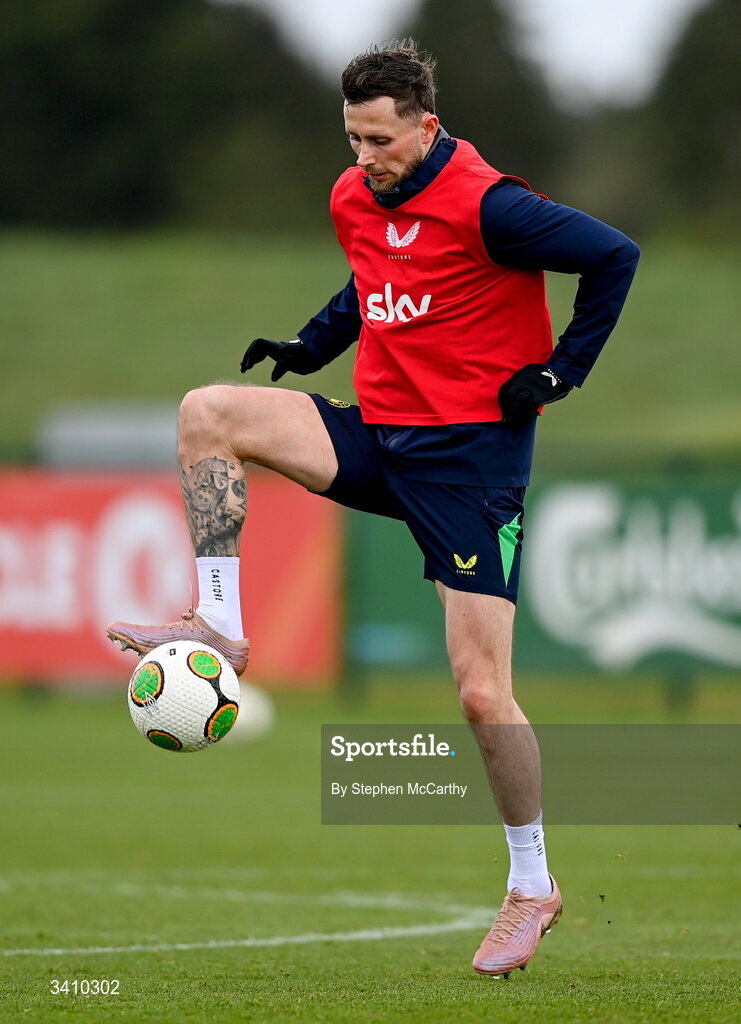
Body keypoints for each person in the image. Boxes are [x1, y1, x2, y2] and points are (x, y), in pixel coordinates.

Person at [107, 40, 639, 977]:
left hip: (470, 464)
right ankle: (222, 627)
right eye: (352, 138)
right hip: (377, 435)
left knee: (481, 695)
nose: (365, 157)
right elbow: (372, 275)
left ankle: (530, 884)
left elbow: (613, 256)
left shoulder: (493, 206)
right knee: (207, 413)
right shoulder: (355, 194)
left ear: (426, 127)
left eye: (382, 140)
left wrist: (560, 370)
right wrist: (315, 345)